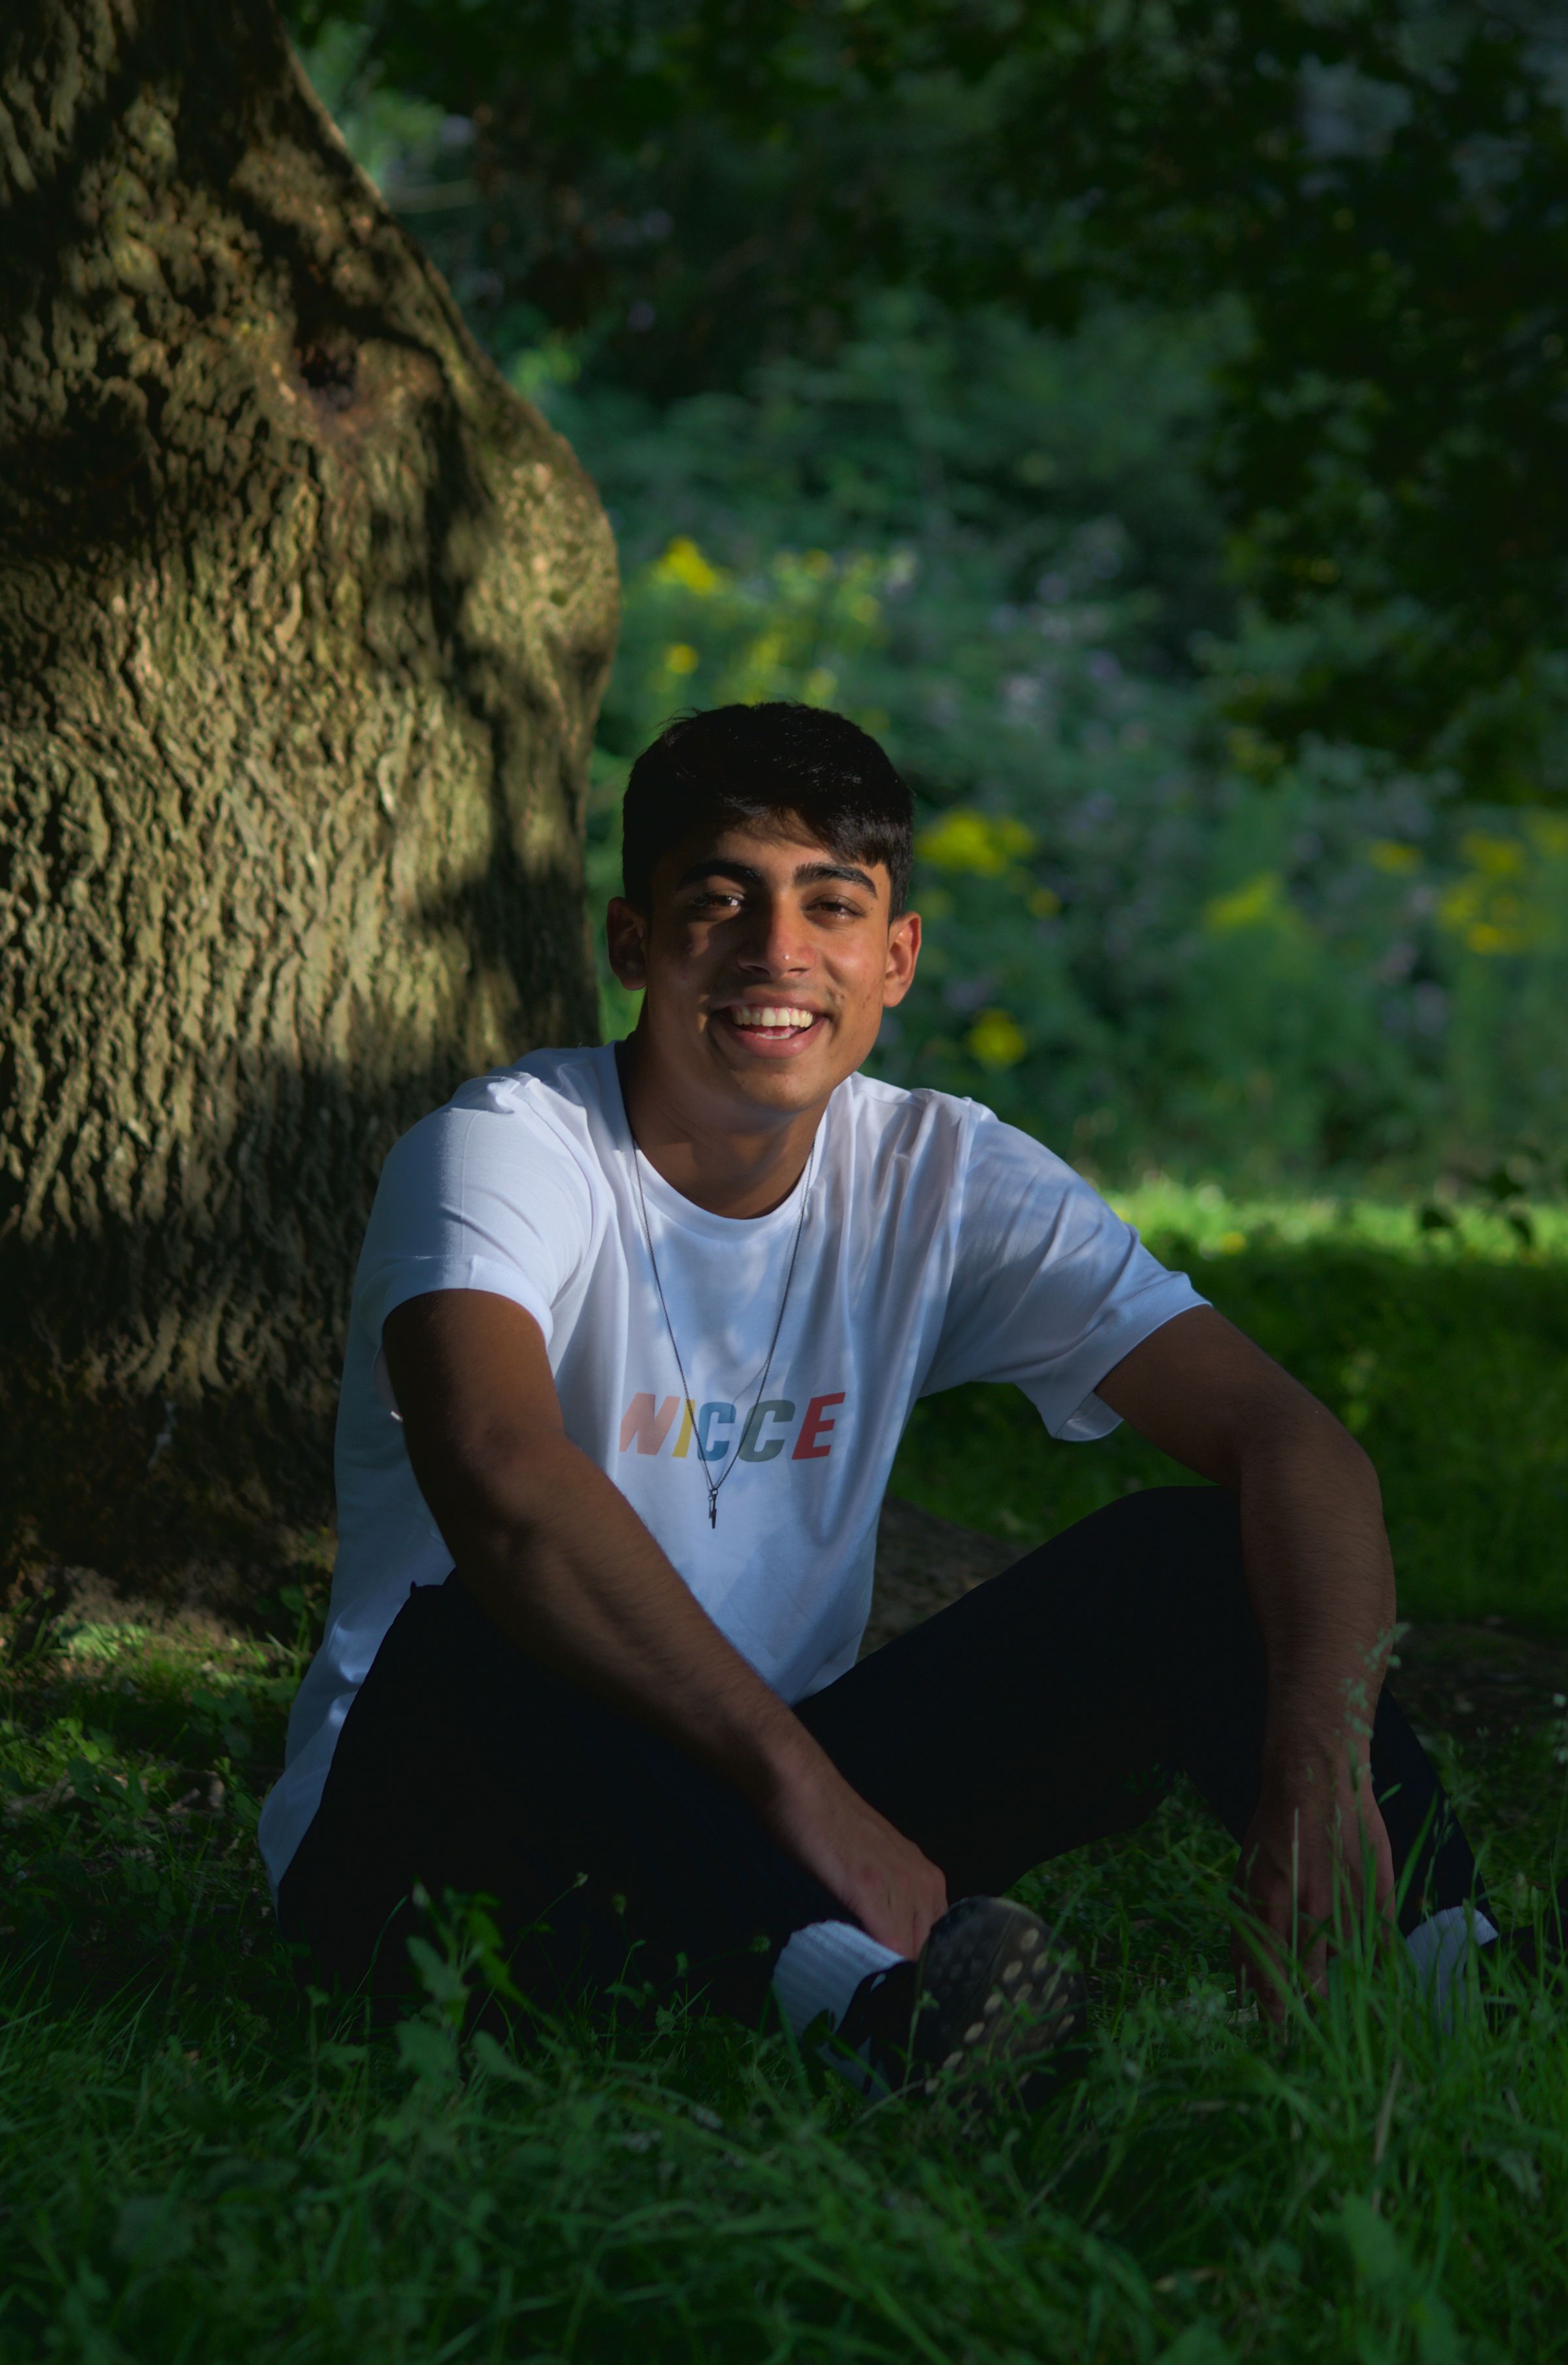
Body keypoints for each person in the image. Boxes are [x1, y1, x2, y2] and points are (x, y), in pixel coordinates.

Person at [260, 700, 1513, 2094]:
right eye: (719, 900)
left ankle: (1451, 1970)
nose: (777, 953)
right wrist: (809, 1793)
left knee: (1197, 1560)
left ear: (896, 955)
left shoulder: (939, 1174)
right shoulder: (503, 1151)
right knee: (490, 1622)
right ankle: (883, 2025)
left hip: (764, 1817)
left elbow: (1297, 1443)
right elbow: (495, 1461)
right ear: (632, 944)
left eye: (831, 905)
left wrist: (1319, 1769)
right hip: (448, 1822)